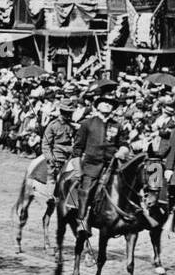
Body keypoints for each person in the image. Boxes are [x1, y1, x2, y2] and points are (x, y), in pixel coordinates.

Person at [71, 85, 129, 236]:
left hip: (112, 166)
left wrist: (123, 150)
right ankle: (82, 220)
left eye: (111, 103)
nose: (108, 105)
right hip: (91, 166)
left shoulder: (117, 125)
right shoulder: (87, 124)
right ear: (98, 105)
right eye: (105, 102)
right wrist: (78, 169)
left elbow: (123, 143)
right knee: (87, 190)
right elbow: (77, 148)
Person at [41, 100, 79, 185]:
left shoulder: (72, 126)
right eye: (67, 113)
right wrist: (50, 158)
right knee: (53, 182)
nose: (69, 115)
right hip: (57, 157)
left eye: (70, 113)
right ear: (62, 112)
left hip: (70, 156)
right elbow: (46, 144)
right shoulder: (53, 125)